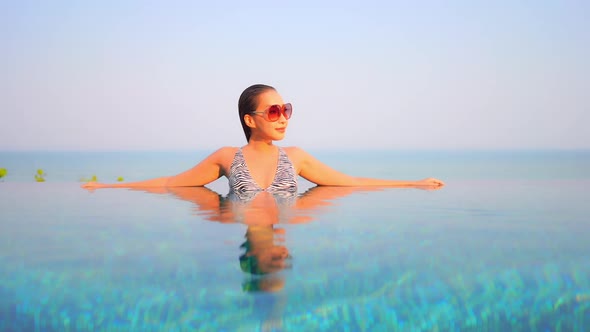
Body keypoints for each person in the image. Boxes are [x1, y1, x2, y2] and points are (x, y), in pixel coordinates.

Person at [82, 84, 444, 191]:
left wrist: (413, 184)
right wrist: (109, 187)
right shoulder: (226, 157)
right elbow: (172, 183)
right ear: (249, 119)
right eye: (273, 111)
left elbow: (349, 182)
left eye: (285, 109)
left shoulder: (296, 157)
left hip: (286, 223)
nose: (282, 117)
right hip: (239, 236)